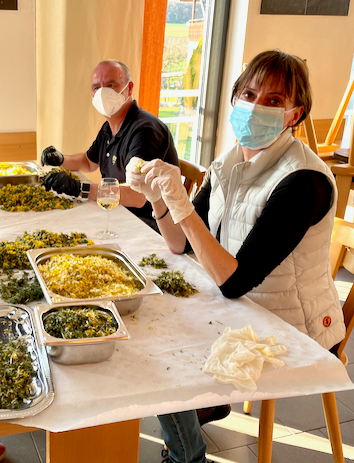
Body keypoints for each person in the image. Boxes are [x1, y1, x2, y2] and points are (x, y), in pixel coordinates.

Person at [127, 50, 346, 463]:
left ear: (295, 115)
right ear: (235, 97)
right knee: (146, 320)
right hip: (243, 308)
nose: (256, 106)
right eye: (249, 94)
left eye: (274, 100)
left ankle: (188, 453)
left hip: (291, 330)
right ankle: (197, 418)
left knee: (157, 345)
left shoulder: (304, 181)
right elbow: (180, 245)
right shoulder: (228, 163)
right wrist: (158, 199)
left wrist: (183, 205)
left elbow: (234, 281)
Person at [40, 59, 180, 232]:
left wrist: (80, 189)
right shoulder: (110, 126)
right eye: (96, 88)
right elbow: (88, 162)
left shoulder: (145, 131)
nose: (102, 93)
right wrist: (61, 160)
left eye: (111, 85)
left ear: (129, 88)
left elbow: (138, 196)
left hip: (149, 226)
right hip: (118, 214)